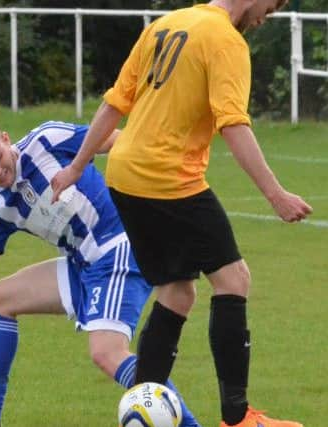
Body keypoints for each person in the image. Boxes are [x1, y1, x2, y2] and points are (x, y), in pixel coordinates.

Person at [51, 1, 313, 427]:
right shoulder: (225, 39)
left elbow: (115, 103)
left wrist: (78, 166)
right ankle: (238, 418)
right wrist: (275, 194)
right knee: (233, 279)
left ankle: (141, 409)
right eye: (272, 4)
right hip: (168, 176)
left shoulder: (165, 23)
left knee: (177, 292)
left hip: (125, 174)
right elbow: (233, 124)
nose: (269, 16)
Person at [0, 113, 201, 427]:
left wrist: (164, 182)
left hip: (119, 247)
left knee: (107, 352)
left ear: (6, 139)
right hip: (83, 264)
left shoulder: (47, 140)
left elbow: (120, 142)